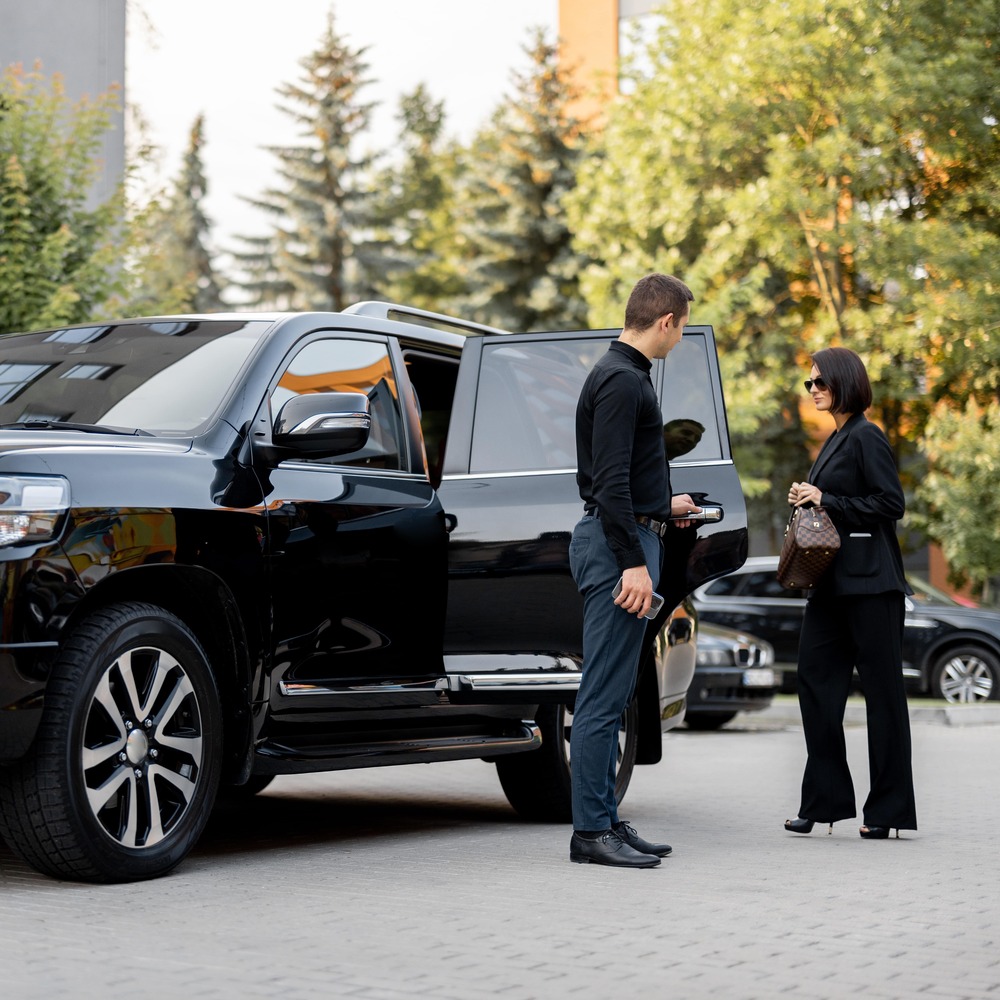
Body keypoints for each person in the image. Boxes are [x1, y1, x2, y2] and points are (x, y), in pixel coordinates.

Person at [568, 273, 701, 868]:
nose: (682, 336)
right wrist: (632, 564)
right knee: (602, 695)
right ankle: (589, 833)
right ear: (666, 320)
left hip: (628, 532)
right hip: (617, 549)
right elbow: (609, 483)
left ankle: (607, 823)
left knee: (619, 690)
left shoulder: (619, 375)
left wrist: (660, 505)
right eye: (684, 325)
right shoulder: (622, 381)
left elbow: (618, 479)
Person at [784, 347, 917, 840]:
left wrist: (828, 498)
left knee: (883, 698)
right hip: (829, 586)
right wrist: (809, 496)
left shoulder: (867, 436)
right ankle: (824, 801)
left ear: (843, 382)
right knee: (815, 686)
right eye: (809, 383)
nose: (813, 389)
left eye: (819, 382)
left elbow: (891, 503)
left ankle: (888, 810)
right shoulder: (836, 439)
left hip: (872, 587)